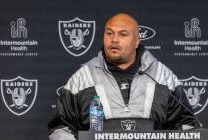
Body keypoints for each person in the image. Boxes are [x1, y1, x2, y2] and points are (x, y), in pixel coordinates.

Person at [48, 13, 201, 140]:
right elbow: (62, 127)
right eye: (109, 33)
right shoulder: (82, 78)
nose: (114, 39)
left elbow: (186, 125)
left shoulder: (163, 76)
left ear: (136, 41)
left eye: (123, 34)